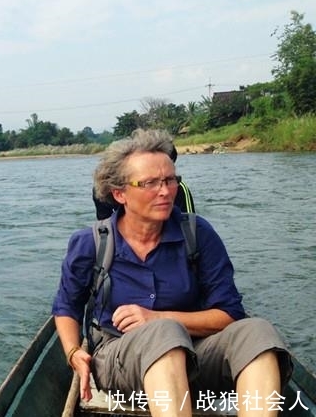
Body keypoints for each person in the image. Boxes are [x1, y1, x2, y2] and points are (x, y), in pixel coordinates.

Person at [52, 129, 292, 417]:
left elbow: (229, 313)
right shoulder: (91, 242)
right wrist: (72, 352)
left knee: (258, 332)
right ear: (120, 194)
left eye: (170, 180)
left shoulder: (197, 233)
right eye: (150, 183)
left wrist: (157, 317)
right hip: (119, 357)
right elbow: (67, 306)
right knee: (163, 334)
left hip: (196, 353)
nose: (165, 191)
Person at [93, 144, 195, 219]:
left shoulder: (178, 187)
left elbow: (189, 223)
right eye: (150, 183)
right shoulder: (102, 190)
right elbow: (104, 224)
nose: (165, 191)